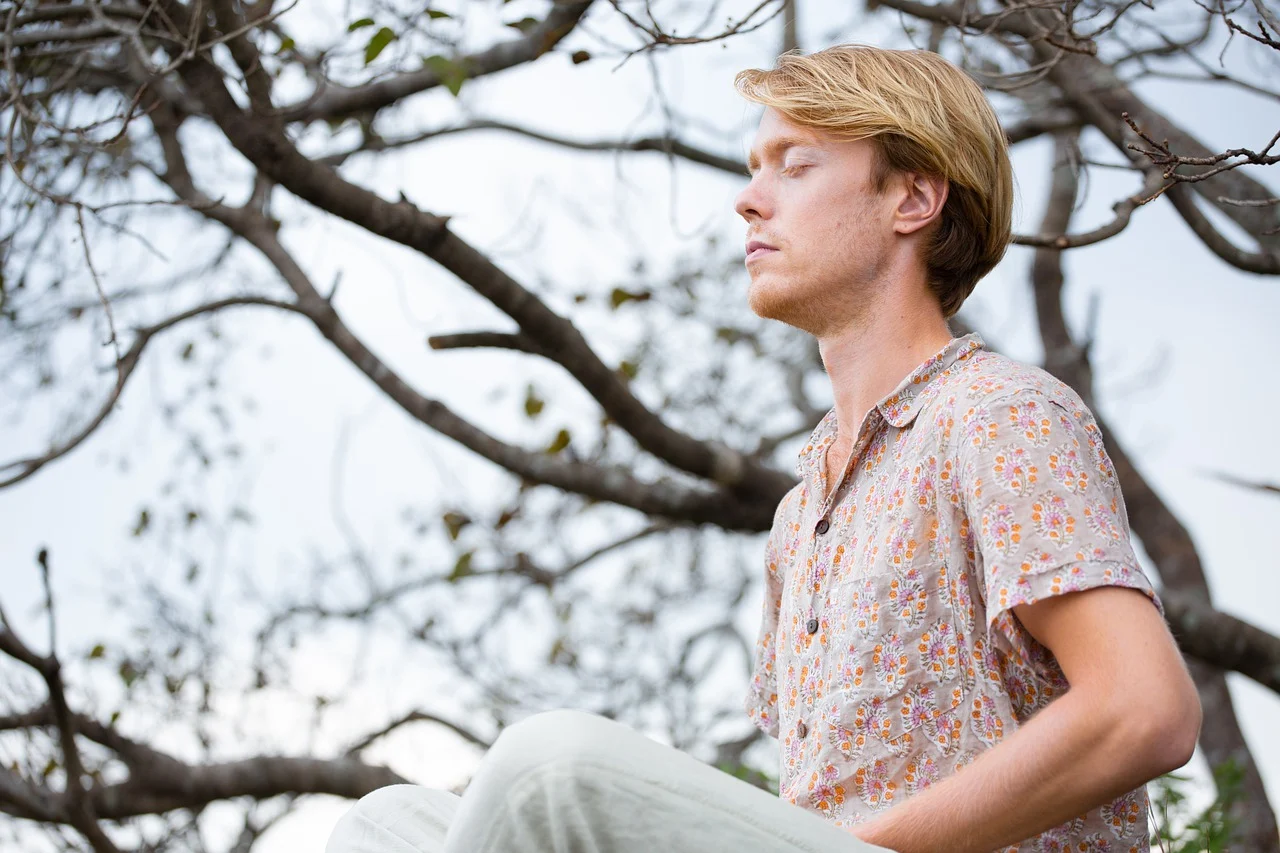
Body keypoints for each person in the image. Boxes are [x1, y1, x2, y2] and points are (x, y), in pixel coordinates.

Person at [325, 44, 1202, 853]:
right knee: (386, 824)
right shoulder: (802, 511)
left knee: (551, 766)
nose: (750, 197)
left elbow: (1144, 710)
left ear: (912, 199)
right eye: (754, 169)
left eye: (796, 164)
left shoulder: (998, 414)